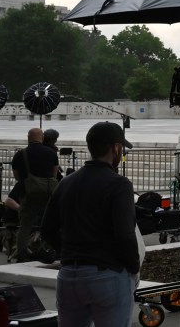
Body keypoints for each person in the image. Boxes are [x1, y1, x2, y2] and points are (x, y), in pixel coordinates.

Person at [41, 121, 139, 327]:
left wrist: (69, 253)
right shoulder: (119, 184)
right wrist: (133, 268)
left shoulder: (66, 182)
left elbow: (47, 229)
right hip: (107, 274)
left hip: (69, 275)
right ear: (116, 148)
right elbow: (125, 234)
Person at [10, 127, 59, 262]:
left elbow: (17, 176)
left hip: (28, 193)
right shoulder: (51, 152)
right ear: (41, 137)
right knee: (51, 223)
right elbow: (54, 174)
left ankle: (21, 254)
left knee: (25, 225)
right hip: (48, 193)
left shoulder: (20, 154)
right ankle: (51, 250)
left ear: (28, 138)